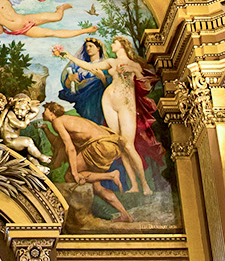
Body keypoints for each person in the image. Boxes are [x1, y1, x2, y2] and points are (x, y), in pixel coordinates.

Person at [52, 36, 151, 193]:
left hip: (126, 103)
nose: (112, 45)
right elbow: (89, 66)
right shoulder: (111, 62)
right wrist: (69, 56)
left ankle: (145, 185)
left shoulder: (134, 65)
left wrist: (134, 72)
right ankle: (134, 185)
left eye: (115, 43)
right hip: (109, 100)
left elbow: (146, 85)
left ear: (122, 45)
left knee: (128, 144)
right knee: (119, 143)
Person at [42, 101, 133, 220]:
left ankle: (111, 175)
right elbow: (59, 144)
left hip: (99, 146)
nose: (43, 113)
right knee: (97, 187)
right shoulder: (69, 120)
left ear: (53, 112)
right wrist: (45, 130)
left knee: (70, 175)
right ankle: (125, 215)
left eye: (45, 110)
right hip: (110, 145)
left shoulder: (57, 121)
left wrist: (75, 172)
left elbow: (70, 148)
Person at [58, 36, 109, 127]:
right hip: (83, 100)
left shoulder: (105, 64)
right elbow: (69, 87)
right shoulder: (81, 67)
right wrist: (70, 79)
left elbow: (109, 84)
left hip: (98, 100)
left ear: (98, 48)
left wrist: (102, 78)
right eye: (86, 47)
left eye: (90, 46)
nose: (88, 49)